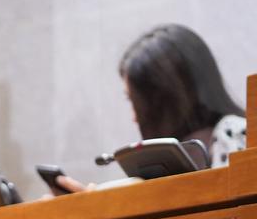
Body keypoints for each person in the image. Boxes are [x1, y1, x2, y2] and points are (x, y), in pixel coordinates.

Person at [59, 23, 246, 193]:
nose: (134, 117)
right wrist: (85, 208)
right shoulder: (173, 157)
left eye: (135, 102)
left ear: (165, 98)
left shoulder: (235, 135)